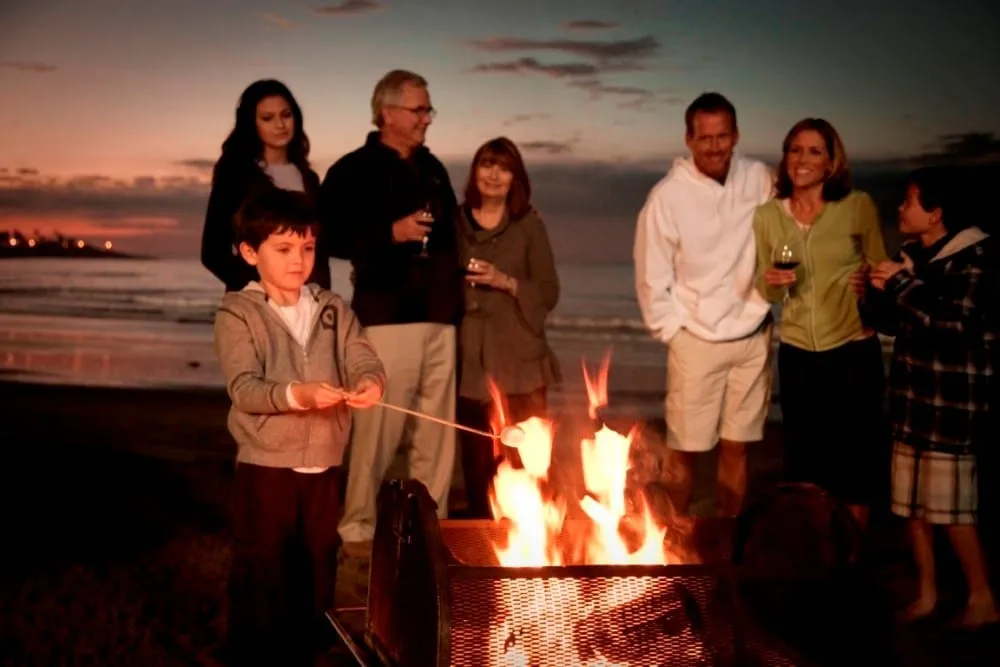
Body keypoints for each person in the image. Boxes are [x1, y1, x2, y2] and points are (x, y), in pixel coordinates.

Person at [213, 188, 385, 665]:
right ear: (250, 252)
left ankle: (311, 645)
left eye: (307, 248)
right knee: (262, 564)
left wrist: (371, 381)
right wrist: (298, 395)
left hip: (325, 463)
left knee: (317, 560)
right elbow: (245, 388)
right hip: (267, 466)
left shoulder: (332, 307)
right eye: (284, 249)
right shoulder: (238, 313)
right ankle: (253, 651)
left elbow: (361, 355)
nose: (299, 260)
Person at [319, 70, 462, 556]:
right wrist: (389, 233)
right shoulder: (352, 170)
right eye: (419, 110)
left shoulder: (435, 168)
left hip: (441, 314)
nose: (427, 119)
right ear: (387, 113)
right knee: (376, 435)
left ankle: (428, 533)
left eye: (428, 110)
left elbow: (452, 236)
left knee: (436, 438)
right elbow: (330, 236)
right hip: (387, 315)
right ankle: (357, 531)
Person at [864, 167, 999, 627]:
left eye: (909, 201)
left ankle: (982, 597)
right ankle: (928, 593)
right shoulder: (911, 256)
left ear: (936, 213)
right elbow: (897, 324)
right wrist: (873, 295)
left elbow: (955, 328)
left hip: (952, 408)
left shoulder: (976, 259)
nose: (900, 208)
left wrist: (901, 284)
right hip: (910, 401)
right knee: (912, 508)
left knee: (953, 511)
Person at [634, 92, 774, 518]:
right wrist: (674, 332)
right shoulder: (667, 197)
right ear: (689, 139)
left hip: (753, 337)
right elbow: (651, 273)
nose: (715, 147)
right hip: (695, 340)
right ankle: (672, 545)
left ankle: (727, 544)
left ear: (736, 136)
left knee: (738, 448)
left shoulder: (759, 178)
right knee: (686, 452)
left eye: (723, 136)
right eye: (705, 137)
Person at [753, 118, 889, 529]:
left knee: (855, 469)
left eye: (814, 151)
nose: (802, 159)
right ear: (785, 157)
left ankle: (852, 564)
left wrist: (869, 283)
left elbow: (881, 269)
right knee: (805, 467)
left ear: (831, 162)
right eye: (795, 149)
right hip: (798, 356)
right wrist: (771, 281)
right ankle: (818, 562)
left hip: (851, 352)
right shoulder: (767, 216)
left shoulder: (857, 206)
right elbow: (767, 288)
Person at [454, 137, 561, 518]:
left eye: (503, 167)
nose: (494, 174)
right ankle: (484, 544)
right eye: (487, 164)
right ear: (475, 171)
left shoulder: (529, 225)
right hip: (470, 362)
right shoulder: (455, 222)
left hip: (521, 362)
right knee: (478, 464)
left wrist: (505, 281)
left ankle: (531, 546)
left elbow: (549, 292)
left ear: (515, 177)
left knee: (528, 462)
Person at [201, 79, 330, 292]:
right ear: (252, 124)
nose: (280, 125)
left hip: (308, 303)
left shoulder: (310, 179)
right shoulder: (236, 177)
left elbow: (319, 248)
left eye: (286, 115)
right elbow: (213, 253)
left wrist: (321, 293)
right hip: (256, 304)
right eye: (267, 118)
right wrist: (260, 289)